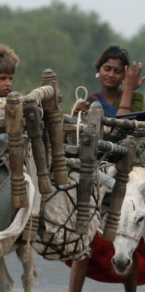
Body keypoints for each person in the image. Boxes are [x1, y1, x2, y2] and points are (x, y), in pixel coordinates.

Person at [69, 45, 145, 292]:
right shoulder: (91, 101)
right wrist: (77, 114)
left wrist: (130, 90)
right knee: (85, 242)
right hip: (101, 168)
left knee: (131, 239)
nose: (111, 74)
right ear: (98, 71)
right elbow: (82, 136)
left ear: (125, 75)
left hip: (132, 168)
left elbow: (123, 128)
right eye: (107, 69)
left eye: (118, 71)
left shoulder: (136, 99)